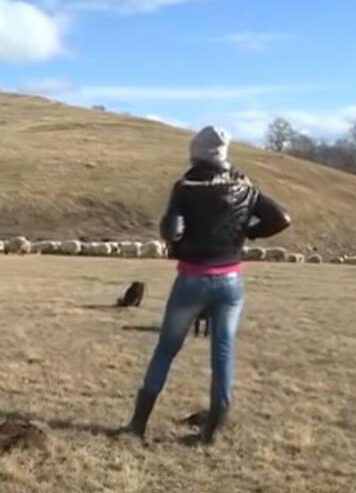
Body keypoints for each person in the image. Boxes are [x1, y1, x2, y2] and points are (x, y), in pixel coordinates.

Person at [125, 126, 291, 443]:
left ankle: (137, 424)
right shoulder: (246, 186)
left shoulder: (186, 187)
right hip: (230, 281)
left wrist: (174, 229)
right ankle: (212, 432)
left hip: (192, 279)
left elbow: (172, 231)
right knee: (223, 353)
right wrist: (247, 233)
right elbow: (281, 218)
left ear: (196, 152)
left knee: (166, 350)